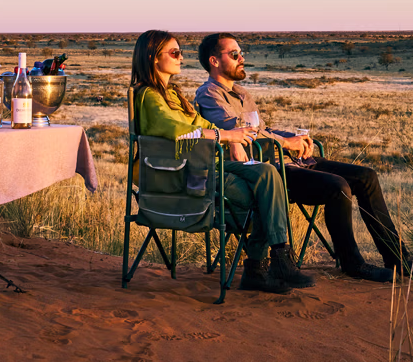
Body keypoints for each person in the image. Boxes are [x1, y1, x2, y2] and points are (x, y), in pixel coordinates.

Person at [194, 33, 413, 284]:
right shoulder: (209, 95)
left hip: (286, 160)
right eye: (234, 54)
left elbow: (262, 129)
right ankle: (352, 263)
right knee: (337, 187)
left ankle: (399, 258)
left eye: (241, 52)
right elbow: (243, 136)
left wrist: (293, 138)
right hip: (266, 171)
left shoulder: (242, 93)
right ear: (214, 61)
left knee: (366, 177)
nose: (241, 58)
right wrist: (287, 143)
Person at [131, 29, 316, 294]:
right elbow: (178, 132)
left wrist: (234, 138)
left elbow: (200, 124)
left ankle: (274, 260)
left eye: (180, 52)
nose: (181, 58)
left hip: (202, 165)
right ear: (152, 57)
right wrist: (226, 135)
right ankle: (259, 266)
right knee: (262, 192)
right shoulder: (149, 96)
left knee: (267, 173)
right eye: (174, 53)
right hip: (183, 175)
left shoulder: (171, 95)